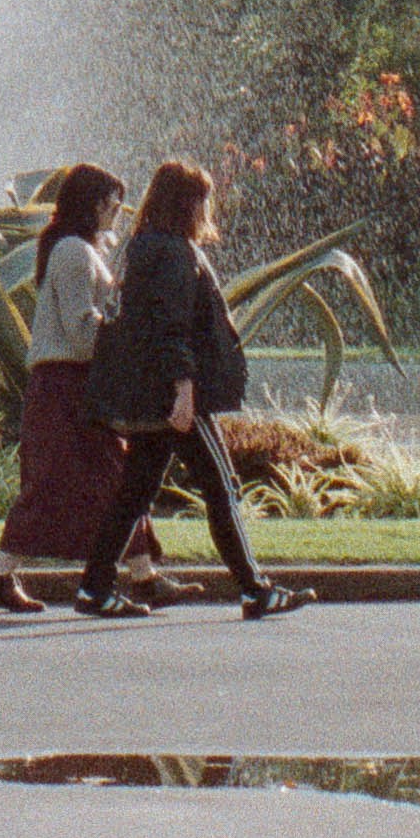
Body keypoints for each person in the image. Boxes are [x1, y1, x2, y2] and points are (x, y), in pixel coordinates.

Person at [75, 159, 310, 621]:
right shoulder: (174, 253)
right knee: (220, 485)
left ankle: (94, 588)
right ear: (188, 203)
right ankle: (253, 589)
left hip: (149, 390)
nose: (207, 209)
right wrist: (184, 390)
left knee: (135, 491)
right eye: (202, 199)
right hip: (172, 394)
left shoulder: (143, 247)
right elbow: (171, 327)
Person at [0, 163, 188, 615]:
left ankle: (142, 576)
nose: (119, 212)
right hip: (66, 383)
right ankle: (0, 576)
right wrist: (129, 331)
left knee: (114, 476)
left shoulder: (82, 250)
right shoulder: (72, 253)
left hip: (75, 382)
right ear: (93, 204)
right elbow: (82, 332)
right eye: (112, 203)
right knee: (66, 482)